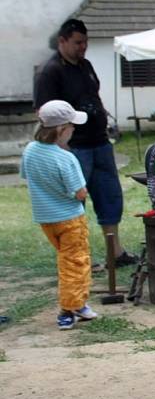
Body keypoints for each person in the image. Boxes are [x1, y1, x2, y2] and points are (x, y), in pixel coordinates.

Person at [33, 19, 137, 267]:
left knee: (109, 197)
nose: (83, 47)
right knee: (73, 203)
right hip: (74, 148)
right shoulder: (50, 72)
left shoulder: (85, 65)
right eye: (78, 42)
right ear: (62, 41)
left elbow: (93, 95)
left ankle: (115, 252)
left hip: (99, 142)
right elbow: (43, 112)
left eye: (86, 42)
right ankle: (75, 255)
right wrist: (60, 148)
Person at [20, 100, 100, 330]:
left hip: (45, 218)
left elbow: (27, 175)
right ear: (60, 130)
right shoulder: (66, 158)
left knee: (66, 261)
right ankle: (68, 308)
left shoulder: (30, 150)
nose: (74, 129)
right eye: (71, 125)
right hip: (69, 218)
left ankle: (79, 303)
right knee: (75, 263)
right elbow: (79, 193)